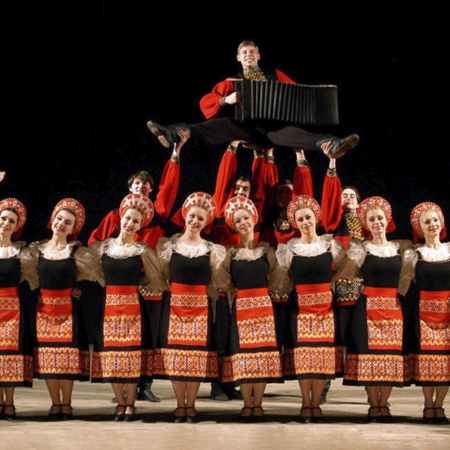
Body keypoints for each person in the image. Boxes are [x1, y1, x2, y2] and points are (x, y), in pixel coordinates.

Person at [88, 131, 188, 404]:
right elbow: (93, 245)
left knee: (148, 336)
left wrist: (175, 154)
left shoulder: (156, 217)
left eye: (146, 184)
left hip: (150, 289)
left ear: (150, 191)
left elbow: (169, 189)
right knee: (121, 336)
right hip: (123, 287)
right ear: (129, 187)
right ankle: (122, 383)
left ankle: (144, 384)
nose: (141, 186)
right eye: (137, 183)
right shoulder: (114, 217)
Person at [147, 40, 360, 159]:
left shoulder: (276, 76)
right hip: (245, 129)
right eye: (244, 52)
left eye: (252, 52)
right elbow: (206, 101)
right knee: (216, 125)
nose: (248, 54)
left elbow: (299, 95)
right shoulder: (233, 81)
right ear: (238, 58)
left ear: (258, 56)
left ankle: (333, 144)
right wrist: (225, 101)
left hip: (274, 130)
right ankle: (171, 133)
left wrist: (315, 106)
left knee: (296, 134)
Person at [87, 193, 167, 422]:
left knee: (131, 356)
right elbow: (90, 269)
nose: (130, 224)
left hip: (133, 306)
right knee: (112, 354)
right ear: (121, 218)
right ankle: (119, 402)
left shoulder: (142, 250)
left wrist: (135, 283)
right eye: (128, 218)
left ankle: (130, 403)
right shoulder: (103, 247)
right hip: (110, 305)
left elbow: (156, 278)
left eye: (136, 221)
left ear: (140, 226)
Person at [153, 192, 229, 423]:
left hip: (199, 307)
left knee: (195, 357)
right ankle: (180, 405)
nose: (195, 221)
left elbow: (218, 279)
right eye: (193, 216)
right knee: (177, 356)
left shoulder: (211, 249)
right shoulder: (170, 245)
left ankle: (191, 405)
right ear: (185, 215)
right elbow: (162, 273)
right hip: (175, 304)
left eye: (201, 219)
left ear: (206, 223)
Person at [275, 194, 350, 423]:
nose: (305, 222)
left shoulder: (330, 244)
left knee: (322, 358)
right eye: (300, 219)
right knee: (304, 357)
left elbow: (346, 268)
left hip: (325, 308)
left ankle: (315, 403)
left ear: (316, 218)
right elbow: (282, 278)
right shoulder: (289, 248)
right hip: (300, 308)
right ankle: (305, 402)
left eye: (308, 217)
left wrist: (328, 284)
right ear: (295, 223)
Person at [343, 196, 412, 423]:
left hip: (392, 307)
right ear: (366, 223)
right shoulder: (361, 249)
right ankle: (374, 404)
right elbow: (349, 273)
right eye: (372, 219)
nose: (377, 222)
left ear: (387, 219)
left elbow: (405, 277)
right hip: (368, 306)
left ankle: (385, 403)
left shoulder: (400, 248)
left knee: (389, 356)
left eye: (380, 218)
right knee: (371, 358)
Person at [220, 196, 283, 422]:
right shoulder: (230, 253)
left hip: (264, 307)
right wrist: (235, 292)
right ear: (233, 226)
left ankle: (259, 403)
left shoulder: (266, 250)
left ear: (253, 219)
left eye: (246, 217)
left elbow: (277, 277)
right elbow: (222, 279)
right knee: (244, 356)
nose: (243, 223)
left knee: (261, 355)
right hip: (241, 307)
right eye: (238, 221)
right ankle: (248, 404)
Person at [28, 198, 91, 421]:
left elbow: (95, 272)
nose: (61, 224)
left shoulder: (77, 252)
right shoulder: (36, 250)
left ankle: (67, 402)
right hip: (44, 310)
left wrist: (77, 288)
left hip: (68, 311)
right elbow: (27, 275)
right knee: (48, 359)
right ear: (52, 219)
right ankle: (55, 402)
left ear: (73, 229)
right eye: (59, 219)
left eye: (68, 222)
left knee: (66, 359)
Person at [319, 142, 367, 403]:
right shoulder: (332, 220)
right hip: (336, 286)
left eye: (352, 196)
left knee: (360, 335)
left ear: (359, 201)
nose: (347, 198)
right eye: (344, 195)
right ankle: (325, 384)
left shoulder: (365, 221)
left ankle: (373, 387)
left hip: (360, 287)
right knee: (334, 335)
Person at [399, 202, 449, 425]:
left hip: (448, 312)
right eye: (427, 221)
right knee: (429, 362)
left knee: (446, 363)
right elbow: (404, 285)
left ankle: (440, 406)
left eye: (435, 220)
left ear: (442, 223)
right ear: (419, 227)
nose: (432, 224)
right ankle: (428, 405)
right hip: (425, 313)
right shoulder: (414, 254)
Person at [0, 198, 36, 420]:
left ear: (16, 226)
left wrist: (70, 288)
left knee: (10, 355)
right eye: (3, 218)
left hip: (12, 307)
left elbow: (37, 277)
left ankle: (10, 402)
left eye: (11, 221)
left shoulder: (20, 252)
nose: (6, 223)